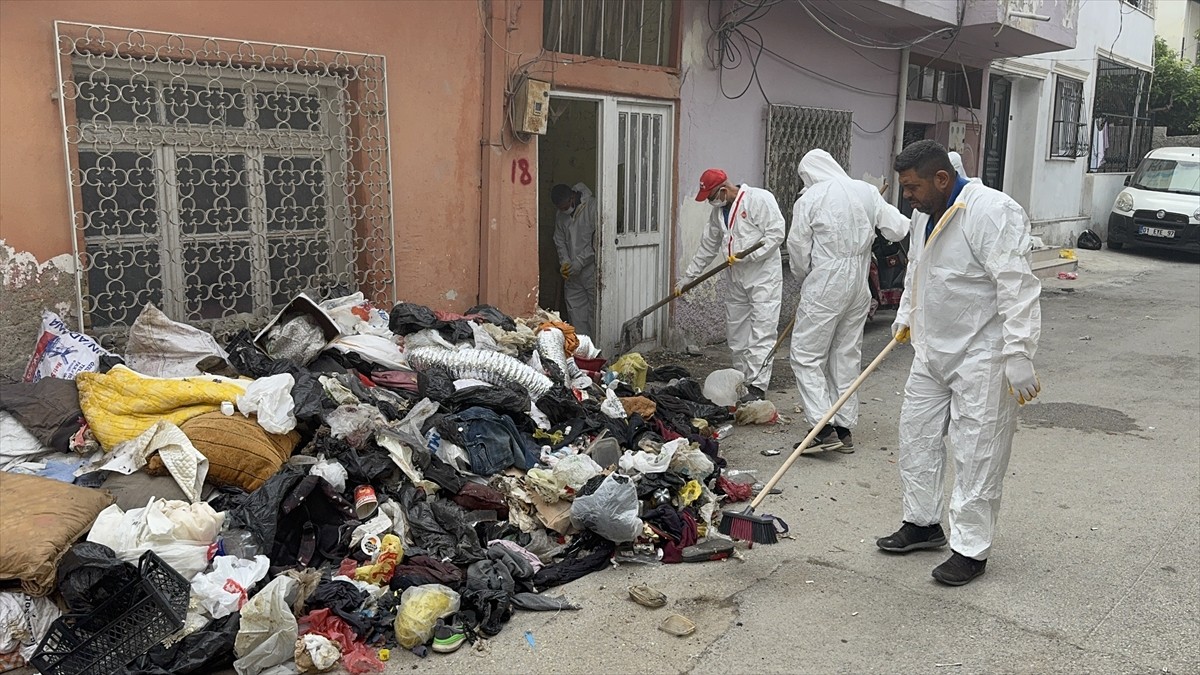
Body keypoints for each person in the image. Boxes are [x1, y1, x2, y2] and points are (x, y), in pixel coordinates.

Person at [877, 140, 1041, 586]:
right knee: (916, 436)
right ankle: (922, 523)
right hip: (932, 350)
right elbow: (918, 268)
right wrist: (906, 315)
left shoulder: (992, 212)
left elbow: (1017, 286)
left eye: (912, 187)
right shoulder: (924, 214)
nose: (907, 196)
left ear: (941, 179)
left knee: (977, 451)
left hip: (982, 354)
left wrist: (1019, 353)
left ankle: (971, 548)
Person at [788, 149, 909, 453]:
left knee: (806, 355)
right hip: (859, 279)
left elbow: (798, 249)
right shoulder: (866, 190)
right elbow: (898, 228)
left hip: (826, 279)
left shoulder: (810, 198)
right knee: (845, 354)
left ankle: (822, 428)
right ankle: (843, 428)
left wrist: (807, 279)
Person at [677, 169, 785, 402]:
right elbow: (708, 246)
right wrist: (689, 277)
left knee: (762, 331)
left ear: (723, 190)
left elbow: (776, 234)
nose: (710, 201)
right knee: (736, 333)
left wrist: (748, 256)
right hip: (735, 276)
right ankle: (741, 381)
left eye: (711, 196)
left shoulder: (759, 199)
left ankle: (757, 386)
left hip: (763, 277)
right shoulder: (718, 213)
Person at [551, 183, 598, 337]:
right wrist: (564, 261)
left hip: (591, 270)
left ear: (572, 196)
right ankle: (580, 347)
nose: (564, 211)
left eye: (565, 207)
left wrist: (580, 262)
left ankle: (595, 347)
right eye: (561, 209)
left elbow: (597, 241)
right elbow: (559, 240)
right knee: (575, 312)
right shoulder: (561, 215)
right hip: (572, 273)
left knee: (594, 312)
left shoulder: (592, 207)